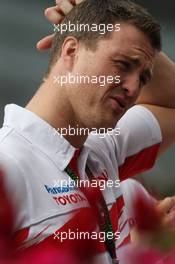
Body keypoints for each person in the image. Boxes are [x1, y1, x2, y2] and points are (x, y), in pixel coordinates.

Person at [1, 0, 175, 263]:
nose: (133, 88)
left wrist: (92, 16)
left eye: (143, 78)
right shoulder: (7, 165)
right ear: (71, 51)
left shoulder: (104, 146)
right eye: (123, 64)